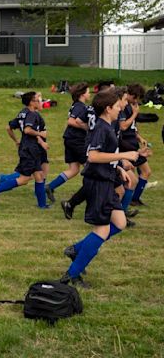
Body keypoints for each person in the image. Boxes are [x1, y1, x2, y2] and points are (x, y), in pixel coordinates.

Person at [60, 90, 140, 288]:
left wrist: (119, 168)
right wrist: (125, 155)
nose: (120, 108)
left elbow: (105, 154)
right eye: (117, 106)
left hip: (106, 180)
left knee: (120, 223)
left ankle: (77, 250)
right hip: (98, 183)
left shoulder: (107, 126)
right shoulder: (102, 128)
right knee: (102, 230)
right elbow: (93, 156)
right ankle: (72, 275)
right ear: (107, 108)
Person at [0, 92, 49, 208]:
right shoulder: (32, 114)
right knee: (24, 179)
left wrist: (16, 140)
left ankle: (42, 205)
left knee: (39, 176)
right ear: (31, 103)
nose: (40, 102)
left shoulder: (23, 113)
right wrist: (41, 134)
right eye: (37, 100)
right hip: (30, 149)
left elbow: (9, 127)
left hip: (29, 148)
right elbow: (28, 130)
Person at [45, 83, 91, 203]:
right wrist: (87, 128)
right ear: (82, 94)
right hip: (77, 141)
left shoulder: (77, 105)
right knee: (91, 168)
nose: (90, 94)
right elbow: (71, 121)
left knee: (74, 169)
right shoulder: (80, 106)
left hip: (70, 139)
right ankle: (92, 192)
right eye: (88, 92)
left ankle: (50, 186)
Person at [120, 84, 152, 206]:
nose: (137, 101)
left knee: (146, 171)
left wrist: (140, 138)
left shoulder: (132, 106)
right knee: (130, 177)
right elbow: (123, 127)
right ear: (132, 95)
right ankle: (124, 204)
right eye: (137, 98)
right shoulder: (123, 107)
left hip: (133, 144)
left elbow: (132, 127)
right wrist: (135, 114)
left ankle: (134, 199)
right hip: (126, 146)